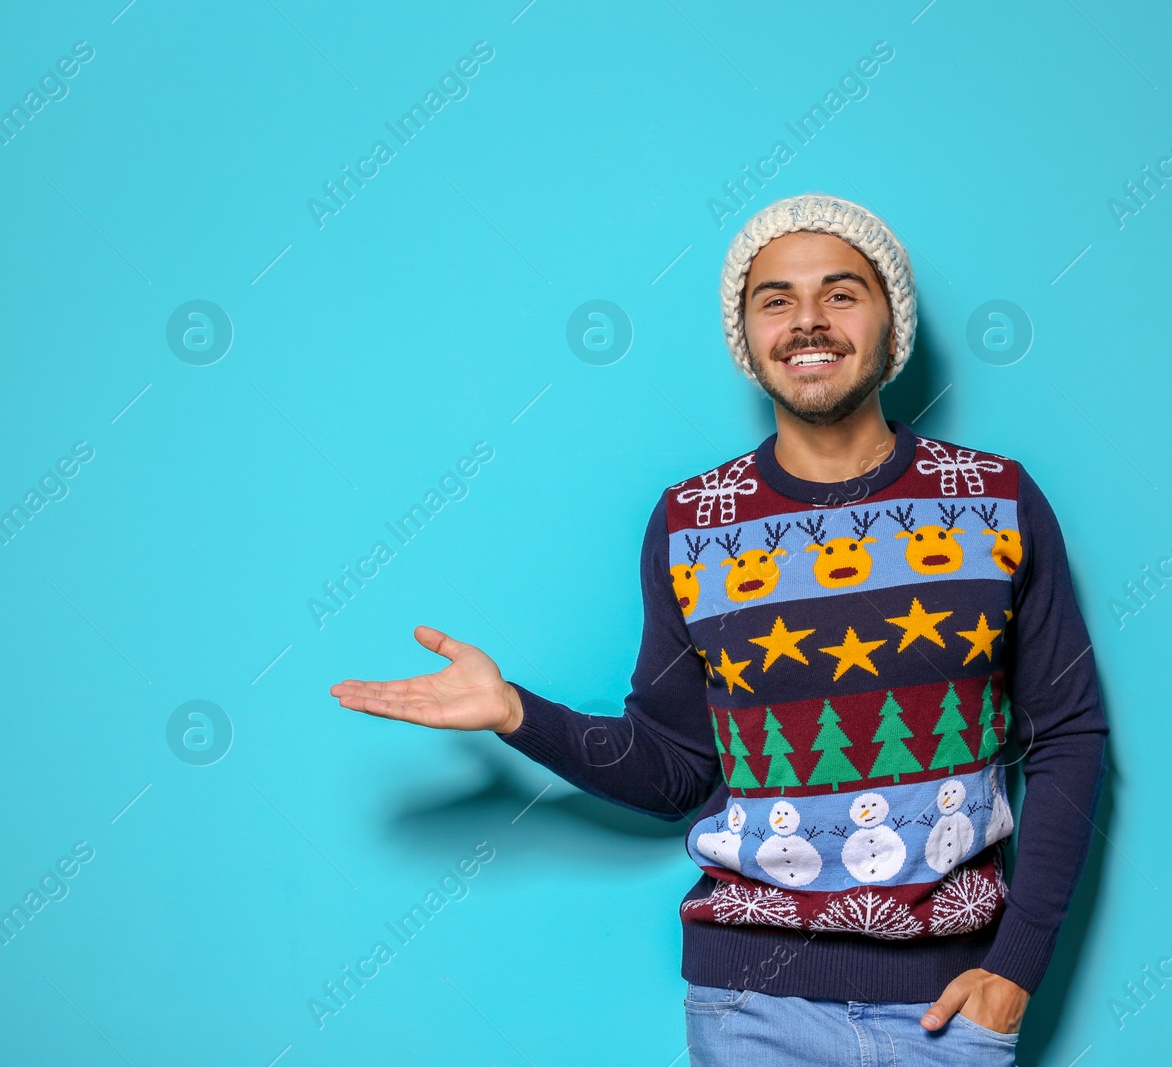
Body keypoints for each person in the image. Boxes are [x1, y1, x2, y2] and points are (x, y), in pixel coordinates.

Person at [331, 193, 1108, 1066]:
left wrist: (1015, 969)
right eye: (775, 299)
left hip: (950, 1010)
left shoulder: (995, 498)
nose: (808, 320)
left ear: (894, 323)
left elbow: (1069, 737)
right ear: (747, 337)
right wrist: (516, 712)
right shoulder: (691, 523)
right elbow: (675, 769)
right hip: (752, 1010)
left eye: (841, 292)